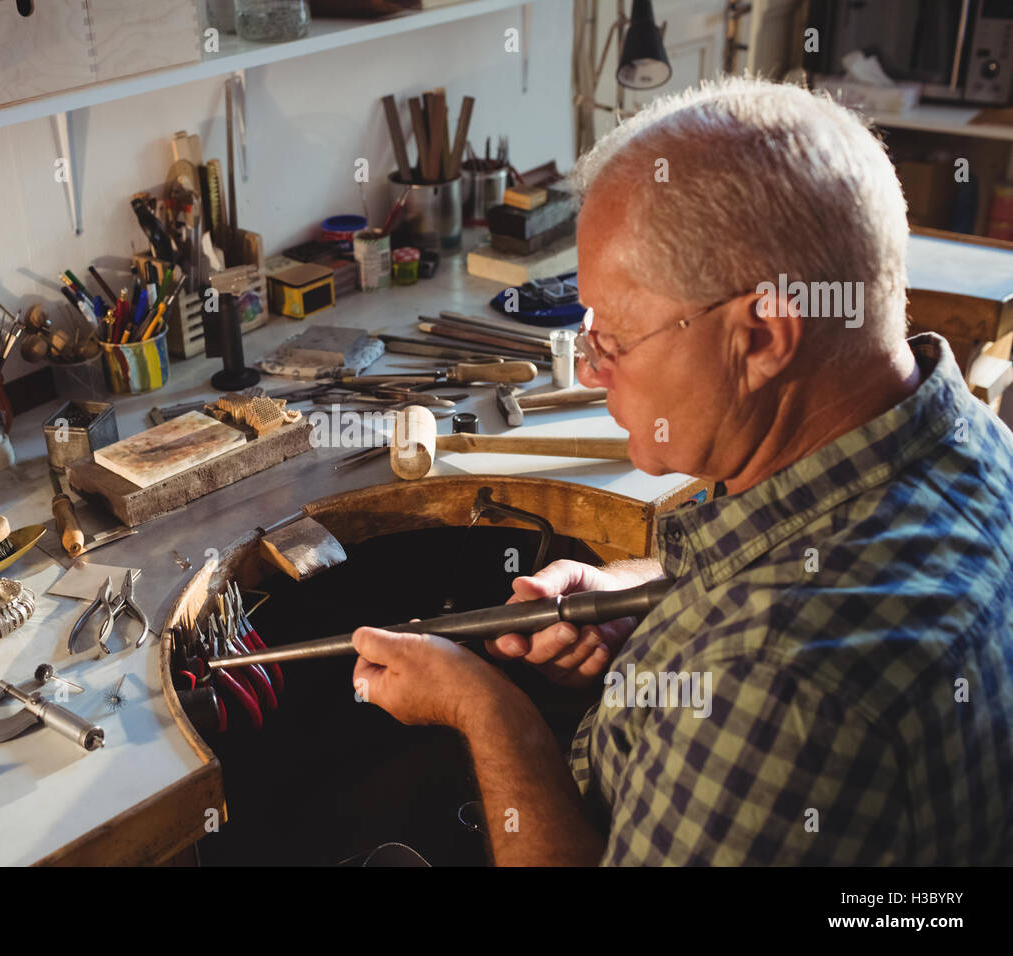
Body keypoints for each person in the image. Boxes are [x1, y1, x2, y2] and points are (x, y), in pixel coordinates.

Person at [351, 76, 1013, 865]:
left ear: (764, 337)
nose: (592, 372)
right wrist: (651, 597)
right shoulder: (969, 440)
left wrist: (489, 713)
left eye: (615, 338)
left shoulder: (777, 695)